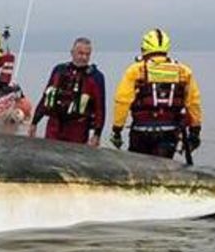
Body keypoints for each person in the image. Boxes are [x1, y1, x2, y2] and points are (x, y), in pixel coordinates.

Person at [110, 29, 203, 159]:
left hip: (140, 132)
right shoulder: (183, 71)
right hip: (169, 132)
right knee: (165, 168)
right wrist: (195, 131)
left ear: (144, 48)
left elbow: (122, 102)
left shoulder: (136, 70)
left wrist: (117, 130)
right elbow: (193, 103)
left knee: (139, 170)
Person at [29, 37, 106, 145]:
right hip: (54, 127)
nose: (84, 57)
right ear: (72, 53)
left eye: (87, 54)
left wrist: (97, 134)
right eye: (80, 53)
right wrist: (34, 122)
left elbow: (100, 109)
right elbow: (46, 97)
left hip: (78, 130)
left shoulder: (95, 77)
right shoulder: (59, 70)